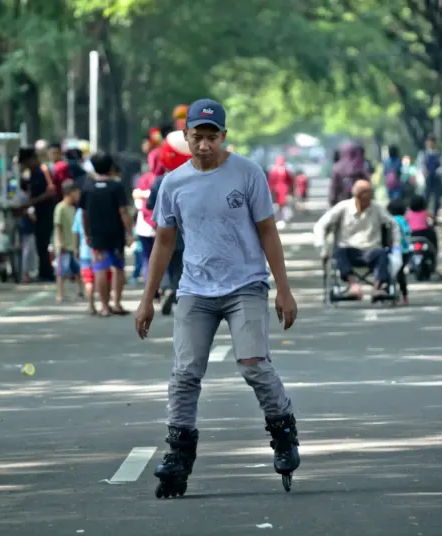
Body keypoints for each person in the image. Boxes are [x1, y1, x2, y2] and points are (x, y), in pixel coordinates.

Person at [135, 98, 300, 497]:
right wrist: (147, 298)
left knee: (254, 365)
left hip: (245, 285)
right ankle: (178, 454)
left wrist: (284, 288)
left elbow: (267, 232)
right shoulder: (174, 183)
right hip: (195, 288)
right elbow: (163, 242)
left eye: (212, 137)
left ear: (224, 136)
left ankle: (283, 432)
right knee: (185, 374)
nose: (205, 145)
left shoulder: (247, 173)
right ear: (187, 137)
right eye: (198, 137)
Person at [314, 178, 401, 300]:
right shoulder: (343, 207)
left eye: (369, 197)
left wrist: (396, 246)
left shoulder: (376, 207)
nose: (367, 201)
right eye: (364, 198)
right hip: (349, 251)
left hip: (372, 250)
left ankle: (377, 288)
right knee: (339, 251)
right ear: (357, 196)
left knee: (383, 253)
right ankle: (353, 285)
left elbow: (393, 224)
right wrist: (322, 247)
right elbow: (321, 225)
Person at [145, 130, 193, 316]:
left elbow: (150, 204)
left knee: (163, 261)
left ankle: (166, 288)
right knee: (181, 264)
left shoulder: (159, 181)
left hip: (165, 229)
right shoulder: (192, 180)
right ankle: (176, 288)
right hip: (187, 231)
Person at [80, 153, 133, 316]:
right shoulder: (116, 187)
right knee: (118, 268)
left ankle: (104, 306)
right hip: (115, 233)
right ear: (111, 167)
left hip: (96, 234)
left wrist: (87, 234)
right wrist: (130, 232)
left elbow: (84, 214)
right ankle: (116, 304)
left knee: (100, 268)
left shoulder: (87, 188)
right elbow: (123, 211)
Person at [19, 147, 57, 282]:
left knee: (43, 243)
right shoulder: (31, 174)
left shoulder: (44, 171)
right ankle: (43, 271)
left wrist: (33, 201)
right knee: (39, 244)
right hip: (37, 213)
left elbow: (51, 191)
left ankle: (47, 273)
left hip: (46, 212)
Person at [133, 148, 165, 286]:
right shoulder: (170, 178)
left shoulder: (144, 178)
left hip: (145, 225)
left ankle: (151, 289)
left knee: (148, 257)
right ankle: (165, 285)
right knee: (165, 256)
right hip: (164, 224)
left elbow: (138, 201)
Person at [53, 180, 82, 303]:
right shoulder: (60, 208)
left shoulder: (73, 208)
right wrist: (60, 242)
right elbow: (57, 226)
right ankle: (60, 294)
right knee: (61, 271)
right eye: (76, 192)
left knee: (77, 270)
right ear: (70, 193)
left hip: (72, 245)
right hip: (64, 245)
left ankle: (81, 290)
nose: (78, 195)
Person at [416, 135, 442, 222]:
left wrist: (437, 171)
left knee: (437, 199)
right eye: (429, 141)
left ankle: (435, 217)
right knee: (425, 198)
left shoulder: (439, 154)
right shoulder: (423, 154)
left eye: (432, 141)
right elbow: (420, 165)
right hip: (427, 179)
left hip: (437, 178)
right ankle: (423, 217)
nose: (430, 143)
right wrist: (424, 172)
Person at [329, 142, 373, 206]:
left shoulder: (337, 168)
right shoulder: (361, 167)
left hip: (342, 204)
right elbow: (368, 185)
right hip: (360, 205)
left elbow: (334, 188)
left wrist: (332, 201)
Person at [387, 198, 411, 304]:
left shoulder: (392, 220)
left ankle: (388, 292)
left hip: (395, 250)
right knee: (401, 274)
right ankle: (404, 295)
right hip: (405, 251)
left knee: (390, 272)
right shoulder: (404, 220)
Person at [268, 156, 294, 224]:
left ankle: (283, 219)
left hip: (284, 191)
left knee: (284, 206)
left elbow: (290, 182)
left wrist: (291, 191)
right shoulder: (273, 171)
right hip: (276, 192)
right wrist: (270, 191)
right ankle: (277, 219)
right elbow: (271, 182)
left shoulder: (286, 171)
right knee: (276, 206)